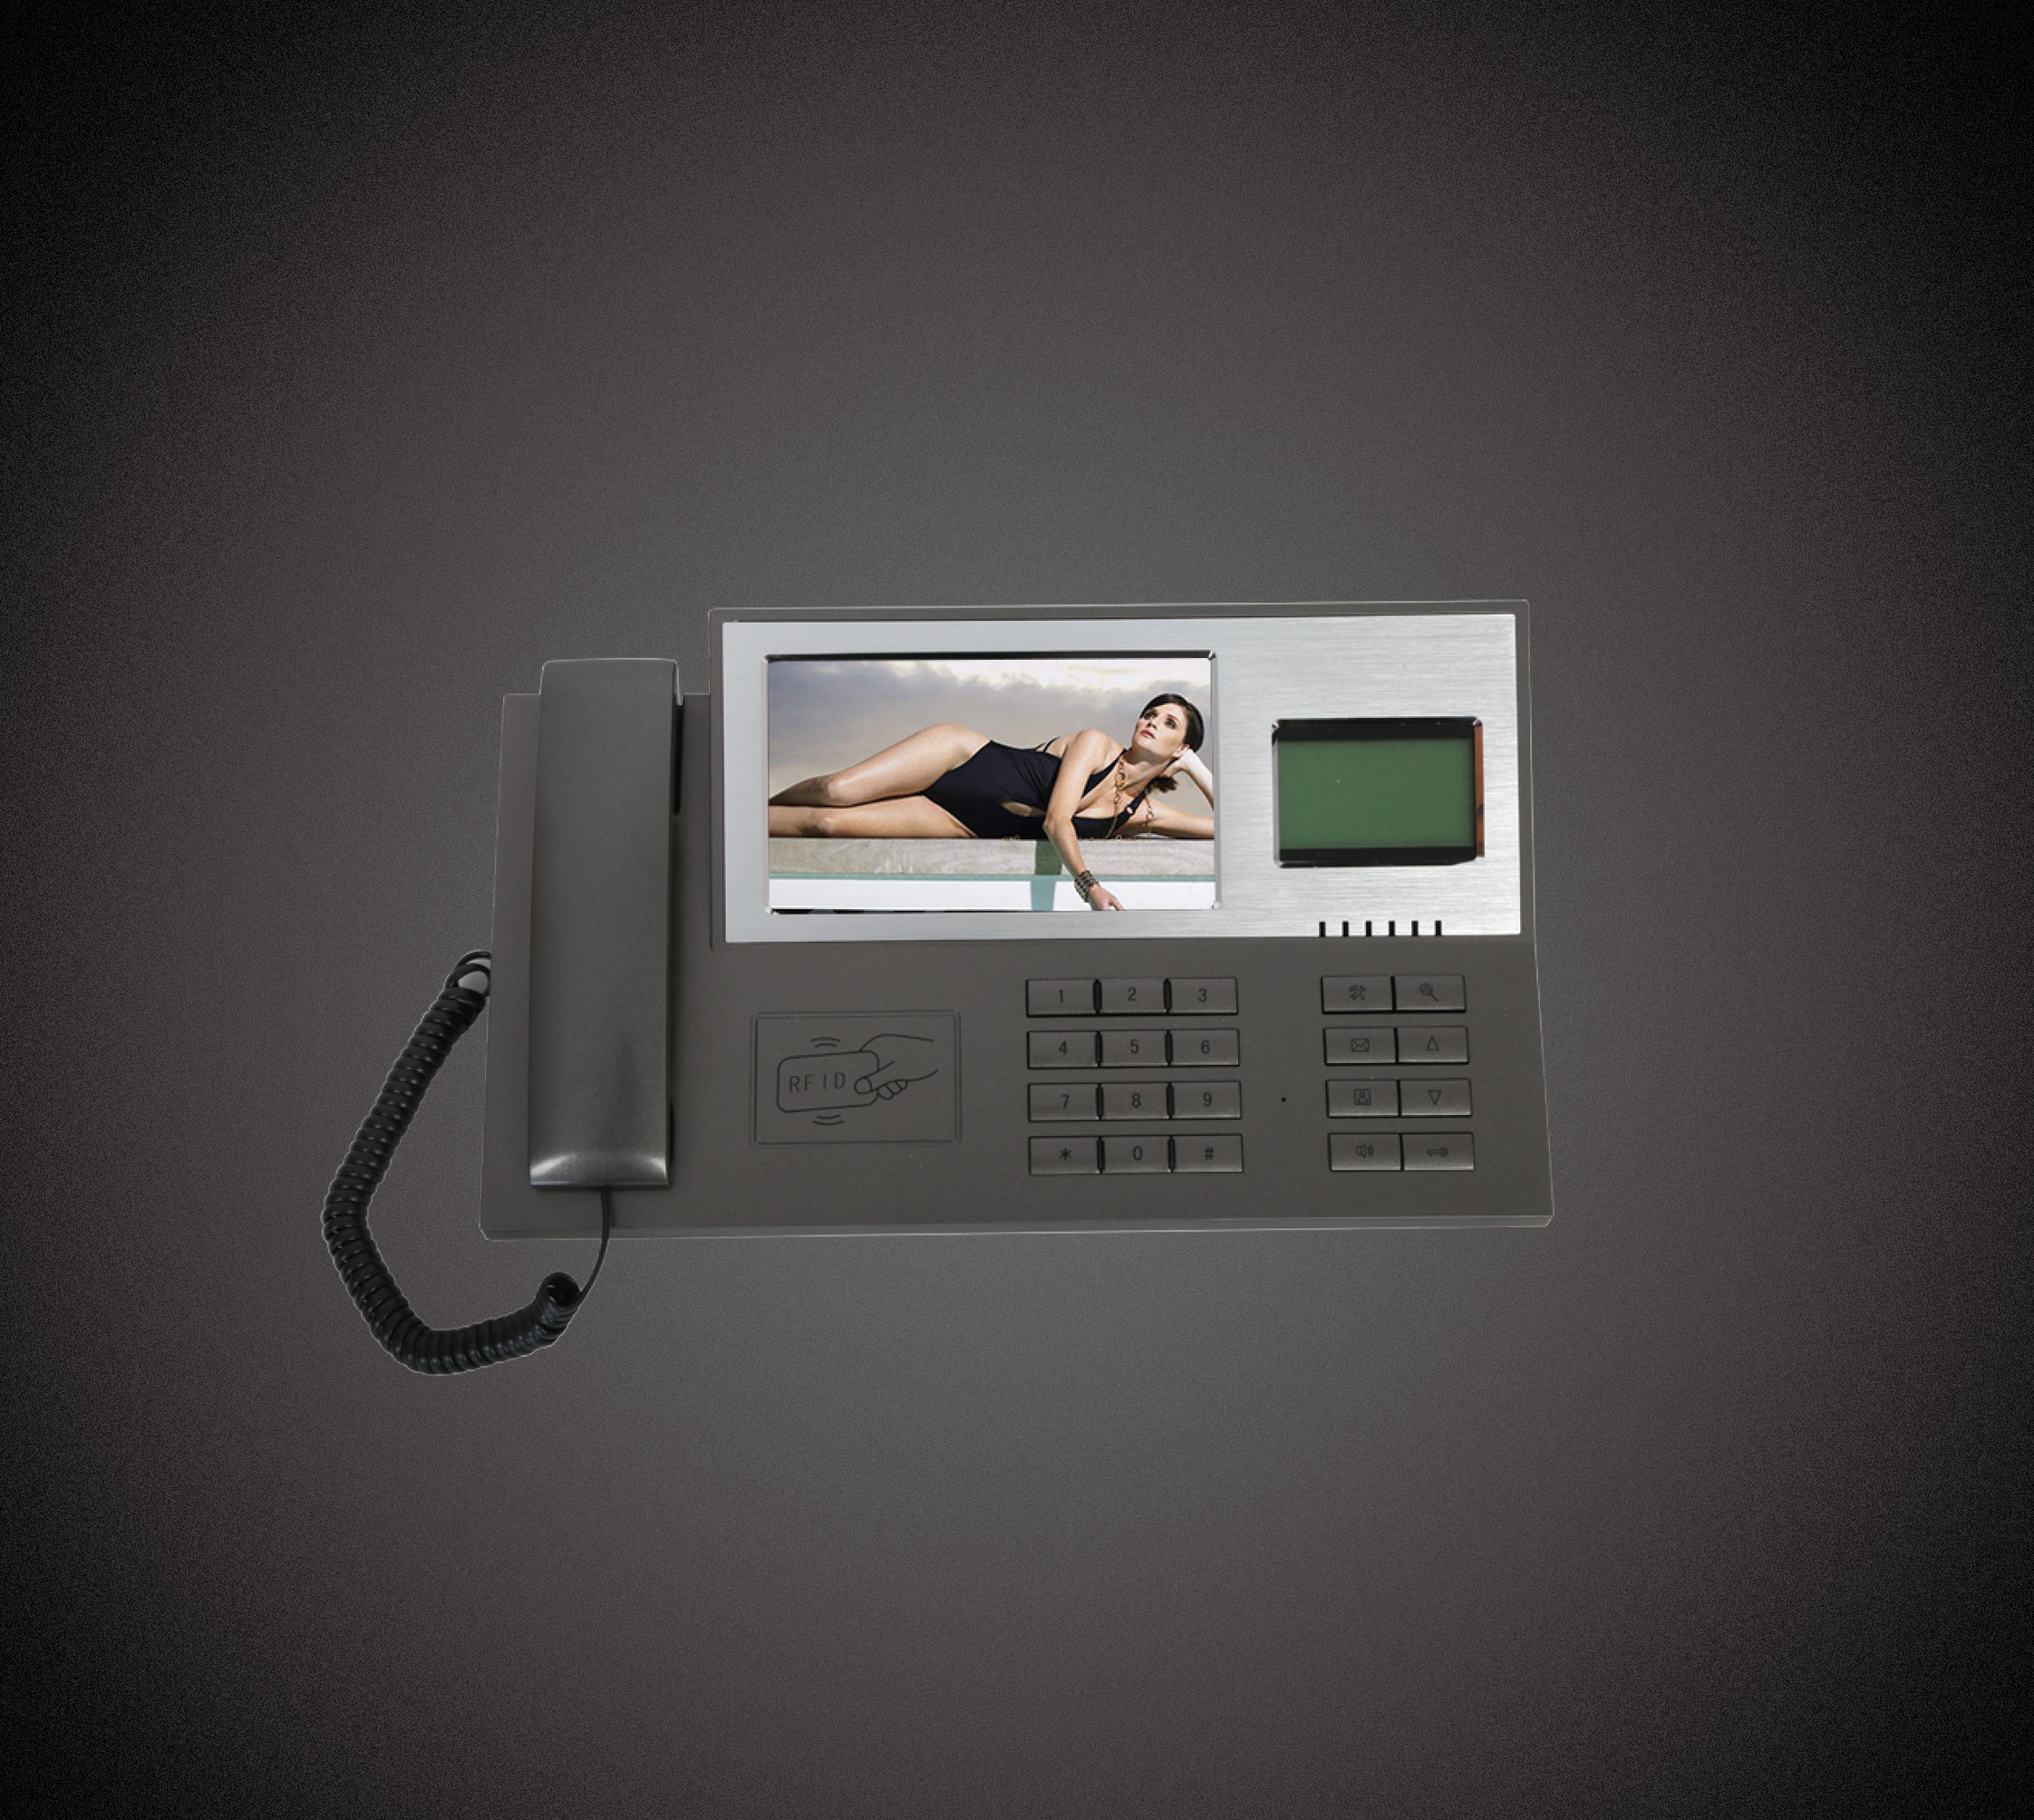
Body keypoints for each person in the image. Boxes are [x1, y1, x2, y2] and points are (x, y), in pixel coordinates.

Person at [769, 693, 1214, 910]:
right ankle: (746, 807)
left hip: (963, 821)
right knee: (836, 792)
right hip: (958, 757)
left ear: (1181, 747)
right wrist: (1089, 886)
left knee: (827, 825)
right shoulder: (1097, 745)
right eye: (1151, 713)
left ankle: (744, 823)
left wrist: (1198, 770)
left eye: (1169, 723)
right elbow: (1056, 821)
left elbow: (1230, 829)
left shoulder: (1139, 814)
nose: (1152, 721)